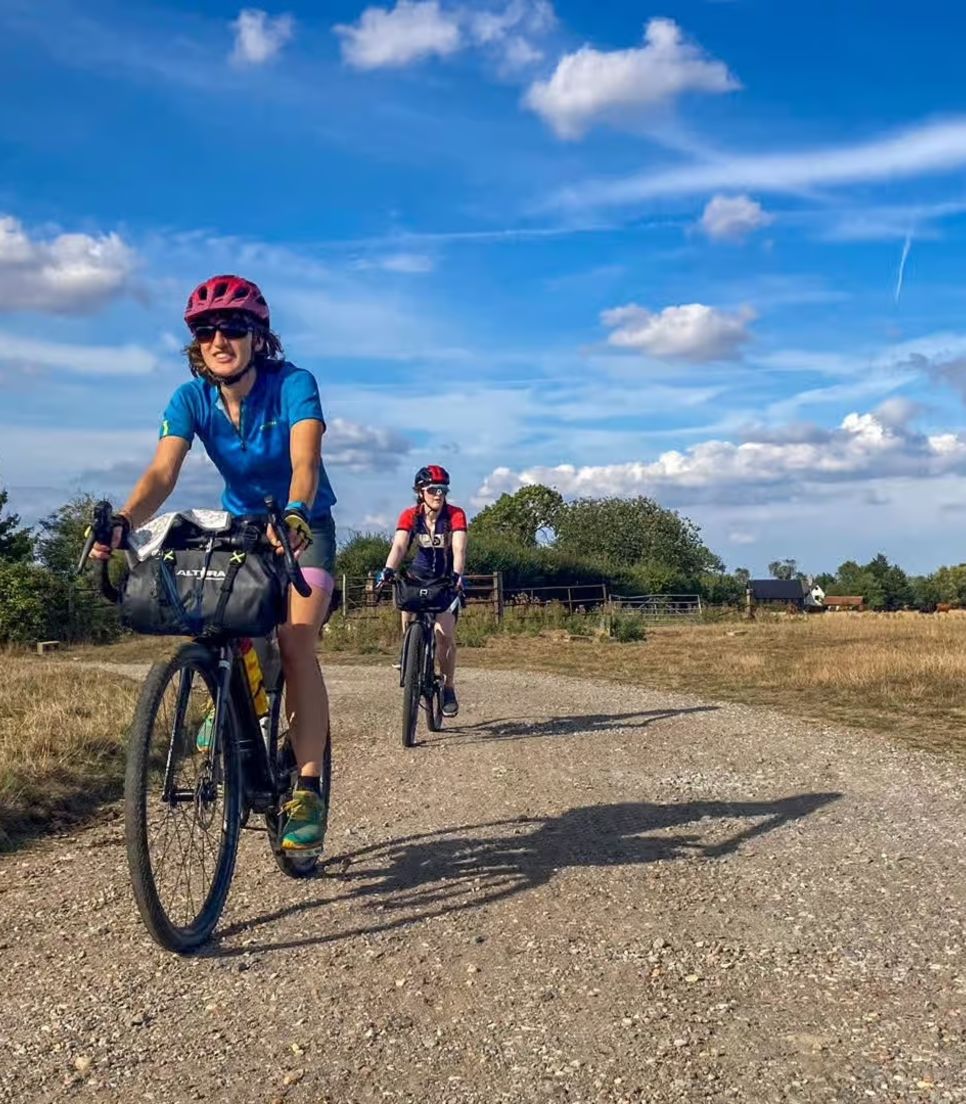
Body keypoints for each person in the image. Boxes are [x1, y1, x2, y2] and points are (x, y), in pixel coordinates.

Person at [90, 274, 336, 853]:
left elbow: (306, 460)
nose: (218, 338)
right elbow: (162, 474)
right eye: (206, 330)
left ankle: (306, 788)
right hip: (241, 530)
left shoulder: (294, 384)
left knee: (296, 642)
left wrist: (296, 514)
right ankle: (234, 696)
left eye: (232, 328)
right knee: (222, 625)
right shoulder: (190, 398)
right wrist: (124, 519)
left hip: (304, 525)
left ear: (258, 337)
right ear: (195, 342)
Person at [377, 465, 467, 716]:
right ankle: (409, 651)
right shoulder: (410, 515)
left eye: (443, 490)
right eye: (433, 490)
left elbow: (459, 549)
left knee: (445, 635)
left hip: (445, 580)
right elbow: (399, 546)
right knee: (406, 608)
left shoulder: (455, 514)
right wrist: (387, 570)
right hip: (419, 575)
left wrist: (458, 575)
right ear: (420, 492)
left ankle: (448, 687)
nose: (439, 494)